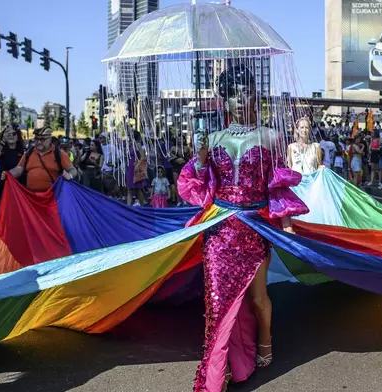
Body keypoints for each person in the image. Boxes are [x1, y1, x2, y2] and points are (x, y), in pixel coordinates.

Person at [178, 65, 308, 391]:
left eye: (245, 91)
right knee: (216, 299)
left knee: (258, 296)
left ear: (254, 95)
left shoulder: (271, 137)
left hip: (253, 227)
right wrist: (199, 158)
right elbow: (199, 185)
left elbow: (277, 186)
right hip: (220, 229)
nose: (240, 98)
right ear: (225, 99)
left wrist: (288, 225)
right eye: (233, 93)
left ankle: (265, 340)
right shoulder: (212, 138)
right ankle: (216, 368)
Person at [6, 127, 77, 192]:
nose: (39, 142)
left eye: (42, 139)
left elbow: (73, 170)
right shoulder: (28, 153)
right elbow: (19, 168)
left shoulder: (59, 154)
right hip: (31, 197)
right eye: (36, 139)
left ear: (49, 139)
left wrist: (69, 175)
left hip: (52, 197)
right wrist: (8, 174)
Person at [126, 131, 148, 206]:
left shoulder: (137, 144)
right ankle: (128, 206)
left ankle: (142, 205)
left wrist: (137, 165)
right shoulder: (130, 145)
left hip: (135, 168)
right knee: (129, 188)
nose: (128, 136)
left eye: (130, 134)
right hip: (130, 167)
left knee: (138, 188)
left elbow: (143, 157)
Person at [168, 134, 191, 207]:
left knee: (184, 184)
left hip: (184, 168)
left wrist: (184, 160)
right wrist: (176, 159)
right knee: (176, 184)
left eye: (181, 139)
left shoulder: (187, 148)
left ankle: (185, 199)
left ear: (184, 140)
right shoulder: (173, 148)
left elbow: (191, 158)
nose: (179, 140)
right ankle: (178, 201)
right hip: (175, 167)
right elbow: (168, 158)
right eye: (178, 139)